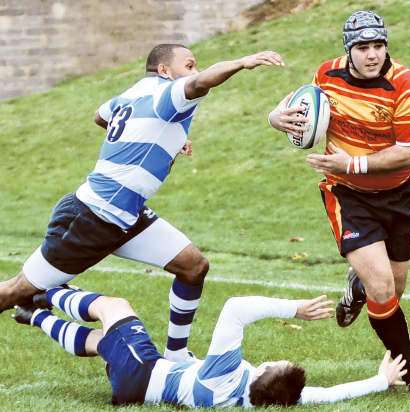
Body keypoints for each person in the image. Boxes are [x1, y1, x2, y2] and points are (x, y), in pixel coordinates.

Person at [0, 44, 285, 362]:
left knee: (193, 266)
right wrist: (242, 62)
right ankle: (39, 297)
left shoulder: (135, 91)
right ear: (165, 70)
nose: (194, 71)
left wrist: (163, 137)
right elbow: (201, 82)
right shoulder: (169, 94)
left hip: (127, 215)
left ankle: (176, 355)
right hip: (92, 217)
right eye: (189, 65)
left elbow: (101, 115)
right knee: (16, 290)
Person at [268, 11, 410, 392]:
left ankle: (356, 288)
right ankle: (408, 374)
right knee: (382, 287)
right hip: (347, 193)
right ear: (349, 50)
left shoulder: (407, 86)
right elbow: (296, 105)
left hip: (397, 197)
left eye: (378, 45)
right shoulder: (327, 74)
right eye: (363, 47)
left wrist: (354, 161)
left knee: (391, 290)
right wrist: (274, 117)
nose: (372, 54)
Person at [13, 286, 407, 407]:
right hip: (134, 387)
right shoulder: (259, 399)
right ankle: (31, 316)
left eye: (283, 362)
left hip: (143, 370)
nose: (282, 358)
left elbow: (235, 309)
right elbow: (329, 395)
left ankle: (43, 293)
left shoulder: (229, 372)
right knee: (101, 342)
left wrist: (294, 308)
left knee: (113, 307)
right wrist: (379, 380)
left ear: (267, 373)